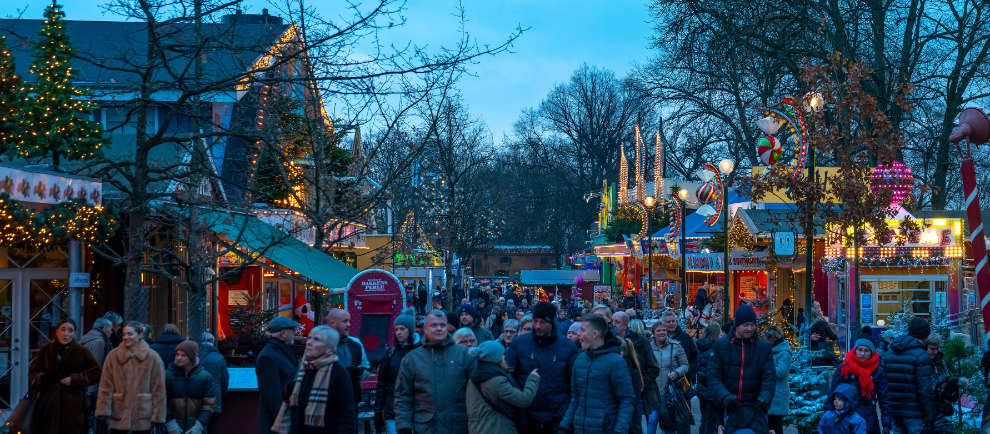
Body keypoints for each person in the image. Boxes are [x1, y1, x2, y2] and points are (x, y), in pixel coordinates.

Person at [505, 301, 579, 434]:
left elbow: (573, 385)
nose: (537, 326)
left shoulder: (567, 347)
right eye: (535, 321)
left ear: (551, 323)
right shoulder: (519, 343)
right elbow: (510, 377)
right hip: (526, 416)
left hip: (557, 416)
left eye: (542, 322)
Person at [395, 310, 473, 434]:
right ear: (425, 328)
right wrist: (404, 426)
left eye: (442, 325)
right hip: (426, 428)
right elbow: (403, 396)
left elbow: (474, 392)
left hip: (459, 426)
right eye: (434, 325)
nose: (439, 329)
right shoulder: (412, 359)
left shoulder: (462, 355)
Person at [272, 325, 356, 434]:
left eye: (316, 339)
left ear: (329, 348)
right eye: (309, 338)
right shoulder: (304, 369)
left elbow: (347, 416)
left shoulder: (338, 373)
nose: (309, 342)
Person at [559, 314, 634, 434]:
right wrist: (564, 426)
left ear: (595, 334)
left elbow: (626, 400)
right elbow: (575, 399)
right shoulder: (580, 360)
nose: (579, 334)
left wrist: (619, 431)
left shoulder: (615, 362)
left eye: (583, 330)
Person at [708, 305, 775, 434]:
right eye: (745, 325)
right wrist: (724, 396)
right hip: (728, 408)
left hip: (756, 409)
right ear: (737, 325)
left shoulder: (763, 347)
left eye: (752, 325)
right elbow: (713, 377)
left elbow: (769, 378)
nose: (749, 328)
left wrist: (764, 399)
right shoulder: (721, 346)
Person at [29, 318, 100, 434]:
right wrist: (42, 377)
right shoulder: (46, 350)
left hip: (74, 404)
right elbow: (33, 371)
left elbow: (95, 372)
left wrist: (74, 379)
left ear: (74, 334)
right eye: (63, 330)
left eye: (70, 331)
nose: (66, 334)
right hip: (49, 403)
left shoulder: (82, 351)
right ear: (57, 331)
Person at [95, 321, 167, 434]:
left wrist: (158, 417)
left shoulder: (152, 357)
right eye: (124, 334)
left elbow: (158, 390)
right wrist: (102, 412)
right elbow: (105, 386)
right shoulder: (113, 356)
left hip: (142, 417)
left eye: (130, 334)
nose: (126, 337)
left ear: (140, 335)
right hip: (118, 415)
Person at [466, 340, 541, 434]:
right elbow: (524, 400)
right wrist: (533, 379)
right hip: (497, 428)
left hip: (478, 428)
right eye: (503, 355)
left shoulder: (474, 377)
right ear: (496, 358)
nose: (506, 358)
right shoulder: (496, 380)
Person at [882, 317, 936, 433]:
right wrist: (930, 415)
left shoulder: (891, 351)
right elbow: (925, 390)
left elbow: (884, 381)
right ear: (925, 336)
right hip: (915, 413)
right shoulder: (921, 356)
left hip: (895, 411)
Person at [831, 338, 890, 434]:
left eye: (866, 351)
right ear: (855, 351)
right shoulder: (844, 369)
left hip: (869, 418)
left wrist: (886, 424)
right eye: (860, 350)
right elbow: (832, 394)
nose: (862, 354)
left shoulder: (878, 371)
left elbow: (884, 398)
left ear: (871, 353)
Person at [614, 310, 659, 434]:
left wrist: (640, 383)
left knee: (638, 424)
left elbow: (653, 368)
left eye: (616, 322)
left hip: (639, 394)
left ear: (625, 324)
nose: (613, 325)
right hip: (618, 395)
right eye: (612, 322)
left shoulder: (640, 341)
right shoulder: (610, 341)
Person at [376, 309, 419, 434]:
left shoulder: (420, 352)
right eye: (396, 329)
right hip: (393, 408)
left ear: (410, 330)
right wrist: (378, 410)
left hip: (416, 409)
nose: (399, 332)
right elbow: (381, 384)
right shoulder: (390, 354)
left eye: (402, 329)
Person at [256, 316, 300, 434]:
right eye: (292, 330)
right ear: (283, 333)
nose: (295, 333)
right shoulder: (268, 356)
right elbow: (271, 395)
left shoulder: (284, 351)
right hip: (277, 422)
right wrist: (283, 422)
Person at [164, 340, 218, 434]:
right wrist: (170, 423)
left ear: (192, 357)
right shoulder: (168, 375)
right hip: (172, 428)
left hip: (195, 427)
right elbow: (161, 401)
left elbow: (209, 405)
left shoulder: (205, 377)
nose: (179, 358)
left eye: (183, 355)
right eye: (177, 354)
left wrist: (199, 425)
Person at [647, 321, 689, 434]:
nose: (662, 332)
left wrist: (677, 372)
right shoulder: (648, 347)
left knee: (668, 422)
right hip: (653, 392)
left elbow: (685, 365)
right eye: (659, 330)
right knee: (652, 420)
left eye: (664, 330)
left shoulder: (675, 345)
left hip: (670, 392)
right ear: (653, 333)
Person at [326, 308, 370, 411]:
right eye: (345, 321)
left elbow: (367, 369)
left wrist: (358, 371)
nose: (349, 325)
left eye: (349, 321)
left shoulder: (356, 344)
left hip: (352, 399)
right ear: (333, 323)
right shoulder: (322, 343)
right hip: (328, 401)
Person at [695, 323, 722, 434]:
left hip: (702, 388)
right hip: (712, 390)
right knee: (711, 420)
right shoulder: (714, 349)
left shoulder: (700, 346)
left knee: (705, 418)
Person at [80, 317, 113, 411]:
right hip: (91, 388)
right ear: (104, 328)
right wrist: (91, 392)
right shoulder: (99, 342)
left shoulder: (87, 337)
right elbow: (96, 367)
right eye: (110, 329)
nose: (111, 332)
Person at [200, 332, 229, 433]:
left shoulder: (194, 355)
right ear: (213, 341)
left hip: (196, 397)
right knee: (213, 425)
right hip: (214, 397)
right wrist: (222, 394)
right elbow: (224, 381)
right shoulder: (219, 358)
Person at [764, 327, 791, 434]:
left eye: (766, 338)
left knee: (775, 425)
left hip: (777, 395)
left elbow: (781, 371)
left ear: (772, 338)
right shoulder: (770, 350)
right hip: (770, 393)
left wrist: (765, 369)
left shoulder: (784, 352)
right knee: (769, 424)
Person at [662, 310, 699, 379]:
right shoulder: (659, 338)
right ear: (663, 323)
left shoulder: (686, 338)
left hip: (683, 378)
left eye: (673, 321)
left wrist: (689, 372)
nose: (671, 323)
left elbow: (695, 357)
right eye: (668, 322)